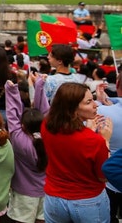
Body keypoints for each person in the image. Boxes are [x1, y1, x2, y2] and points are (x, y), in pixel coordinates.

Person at [41, 82, 111, 223]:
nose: (95, 105)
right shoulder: (95, 141)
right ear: (73, 109)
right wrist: (105, 140)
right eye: (89, 102)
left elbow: (70, 147)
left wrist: (89, 130)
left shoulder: (47, 125)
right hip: (88, 201)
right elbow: (103, 176)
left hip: (54, 198)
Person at [5, 73, 49, 223]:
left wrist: (11, 92)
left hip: (24, 194)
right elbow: (44, 113)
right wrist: (39, 87)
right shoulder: (50, 139)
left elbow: (12, 116)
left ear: (23, 126)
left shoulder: (20, 141)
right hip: (46, 192)